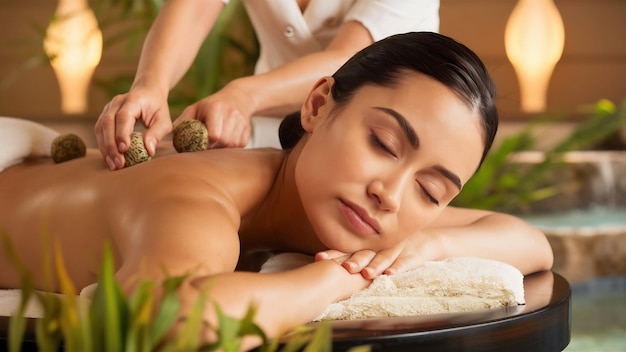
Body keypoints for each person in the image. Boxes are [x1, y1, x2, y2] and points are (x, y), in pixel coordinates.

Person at [0, 32, 553, 348]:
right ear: (317, 106)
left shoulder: (370, 203)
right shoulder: (197, 199)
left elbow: (529, 241)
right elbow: (170, 322)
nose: (392, 193)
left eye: (432, 192)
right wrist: (337, 276)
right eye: (384, 143)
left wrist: (426, 247)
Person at [94, 0, 440, 171]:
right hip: (272, 126)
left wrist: (244, 96)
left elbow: (352, 61)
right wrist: (150, 84)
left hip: (379, 142)